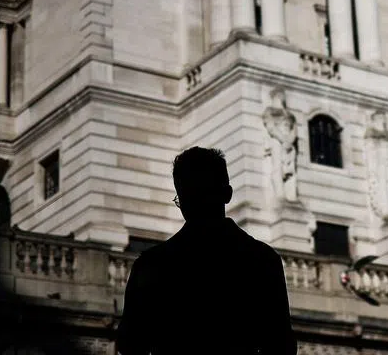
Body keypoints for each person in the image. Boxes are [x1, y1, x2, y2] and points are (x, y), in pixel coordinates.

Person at [116, 147, 298, 355]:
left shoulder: (150, 265)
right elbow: (281, 345)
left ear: (182, 202)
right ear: (227, 194)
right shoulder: (263, 260)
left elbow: (130, 344)